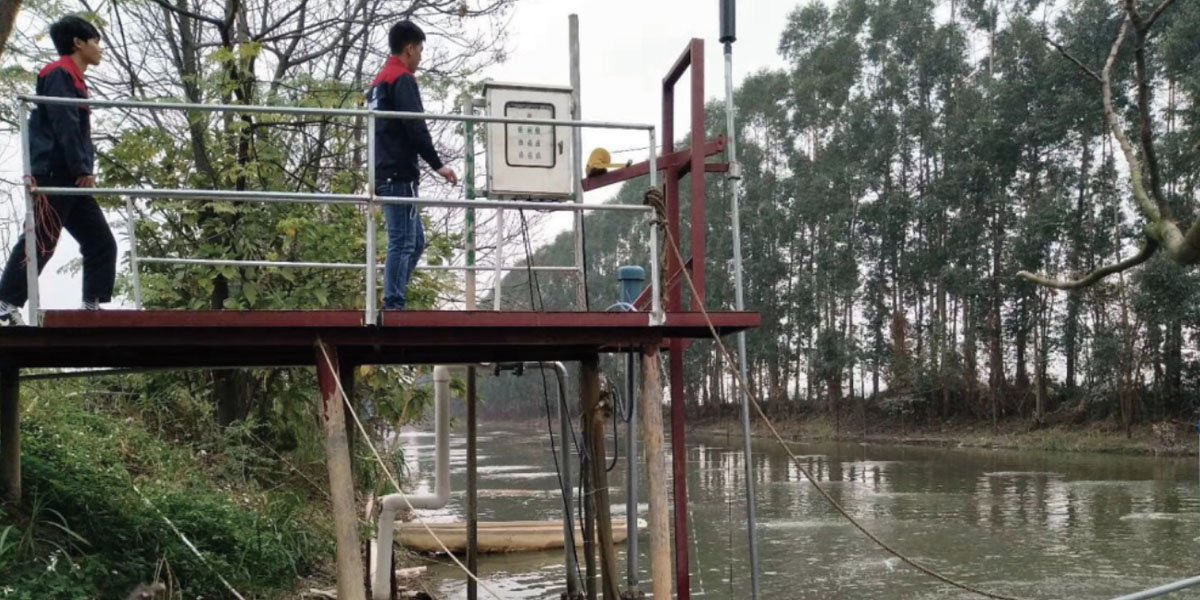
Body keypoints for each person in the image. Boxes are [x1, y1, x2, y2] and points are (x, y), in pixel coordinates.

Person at [0, 15, 115, 326]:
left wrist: (82, 169)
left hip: (72, 176)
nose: (100, 49)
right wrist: (82, 168)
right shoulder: (58, 73)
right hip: (56, 172)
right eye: (96, 42)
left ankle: (92, 308)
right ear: (78, 43)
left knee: (100, 241)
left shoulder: (74, 77)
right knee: (41, 239)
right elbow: (65, 123)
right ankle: (6, 303)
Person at [368, 20, 457, 311]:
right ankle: (393, 304)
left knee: (415, 242)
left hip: (384, 169)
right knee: (403, 241)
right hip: (398, 173)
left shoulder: (379, 82)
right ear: (409, 49)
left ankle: (394, 295)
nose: (420, 56)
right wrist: (438, 165)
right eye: (420, 50)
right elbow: (415, 126)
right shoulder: (401, 79)